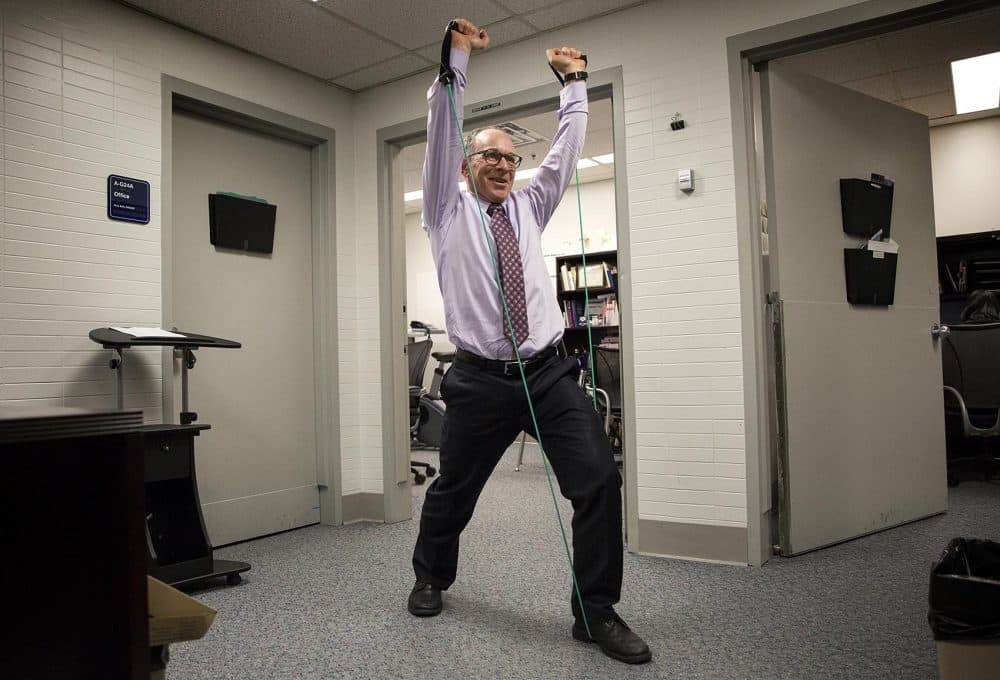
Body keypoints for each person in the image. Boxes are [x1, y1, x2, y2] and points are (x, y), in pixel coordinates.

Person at [406, 17, 651, 665]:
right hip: (480, 379)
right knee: (453, 489)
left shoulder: (531, 204)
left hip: (548, 372)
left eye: (512, 158)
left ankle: (595, 612)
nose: (505, 166)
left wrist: (574, 85)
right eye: (492, 156)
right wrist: (456, 56)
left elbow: (566, 150)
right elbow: (441, 130)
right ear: (467, 165)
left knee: (599, 479)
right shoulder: (444, 209)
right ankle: (430, 575)